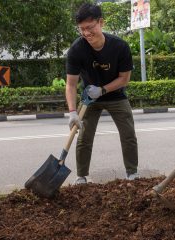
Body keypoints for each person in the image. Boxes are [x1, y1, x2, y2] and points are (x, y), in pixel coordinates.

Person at [66, 3, 138, 184]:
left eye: (90, 28)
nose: (86, 33)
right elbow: (71, 84)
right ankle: (81, 176)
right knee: (83, 136)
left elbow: (124, 79)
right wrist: (73, 111)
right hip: (89, 98)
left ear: (101, 23)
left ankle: (132, 173)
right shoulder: (76, 50)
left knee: (128, 134)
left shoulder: (120, 47)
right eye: (82, 29)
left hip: (116, 95)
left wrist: (103, 90)